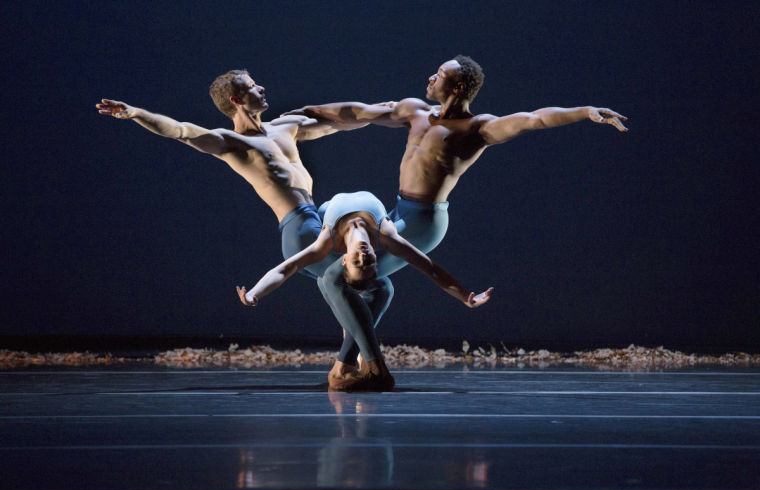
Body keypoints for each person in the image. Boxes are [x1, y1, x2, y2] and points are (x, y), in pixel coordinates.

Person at [96, 70, 393, 389]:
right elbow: (180, 131)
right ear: (237, 100)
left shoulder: (285, 126)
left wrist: (387, 110)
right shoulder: (233, 143)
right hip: (298, 230)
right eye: (252, 87)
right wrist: (136, 113)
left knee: (371, 288)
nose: (262, 87)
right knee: (373, 286)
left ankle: (352, 362)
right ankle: (355, 363)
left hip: (316, 221)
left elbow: (342, 119)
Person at [284, 55, 629, 275]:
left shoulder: (477, 128)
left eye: (439, 74)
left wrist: (585, 112)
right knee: (342, 263)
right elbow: (359, 112)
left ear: (458, 86)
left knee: (351, 270)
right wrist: (310, 110)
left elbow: (533, 119)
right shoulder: (414, 111)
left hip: (425, 220)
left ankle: (357, 359)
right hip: (400, 208)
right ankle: (359, 354)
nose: (430, 77)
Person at [236, 191, 493, 391]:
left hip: (331, 253)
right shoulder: (385, 235)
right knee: (344, 281)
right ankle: (367, 361)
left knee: (383, 287)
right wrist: (465, 295)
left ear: (346, 260)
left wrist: (254, 294)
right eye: (368, 261)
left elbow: (286, 268)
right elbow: (430, 268)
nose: (363, 256)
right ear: (347, 261)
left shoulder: (329, 240)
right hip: (329, 268)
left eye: (361, 261)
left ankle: (347, 361)